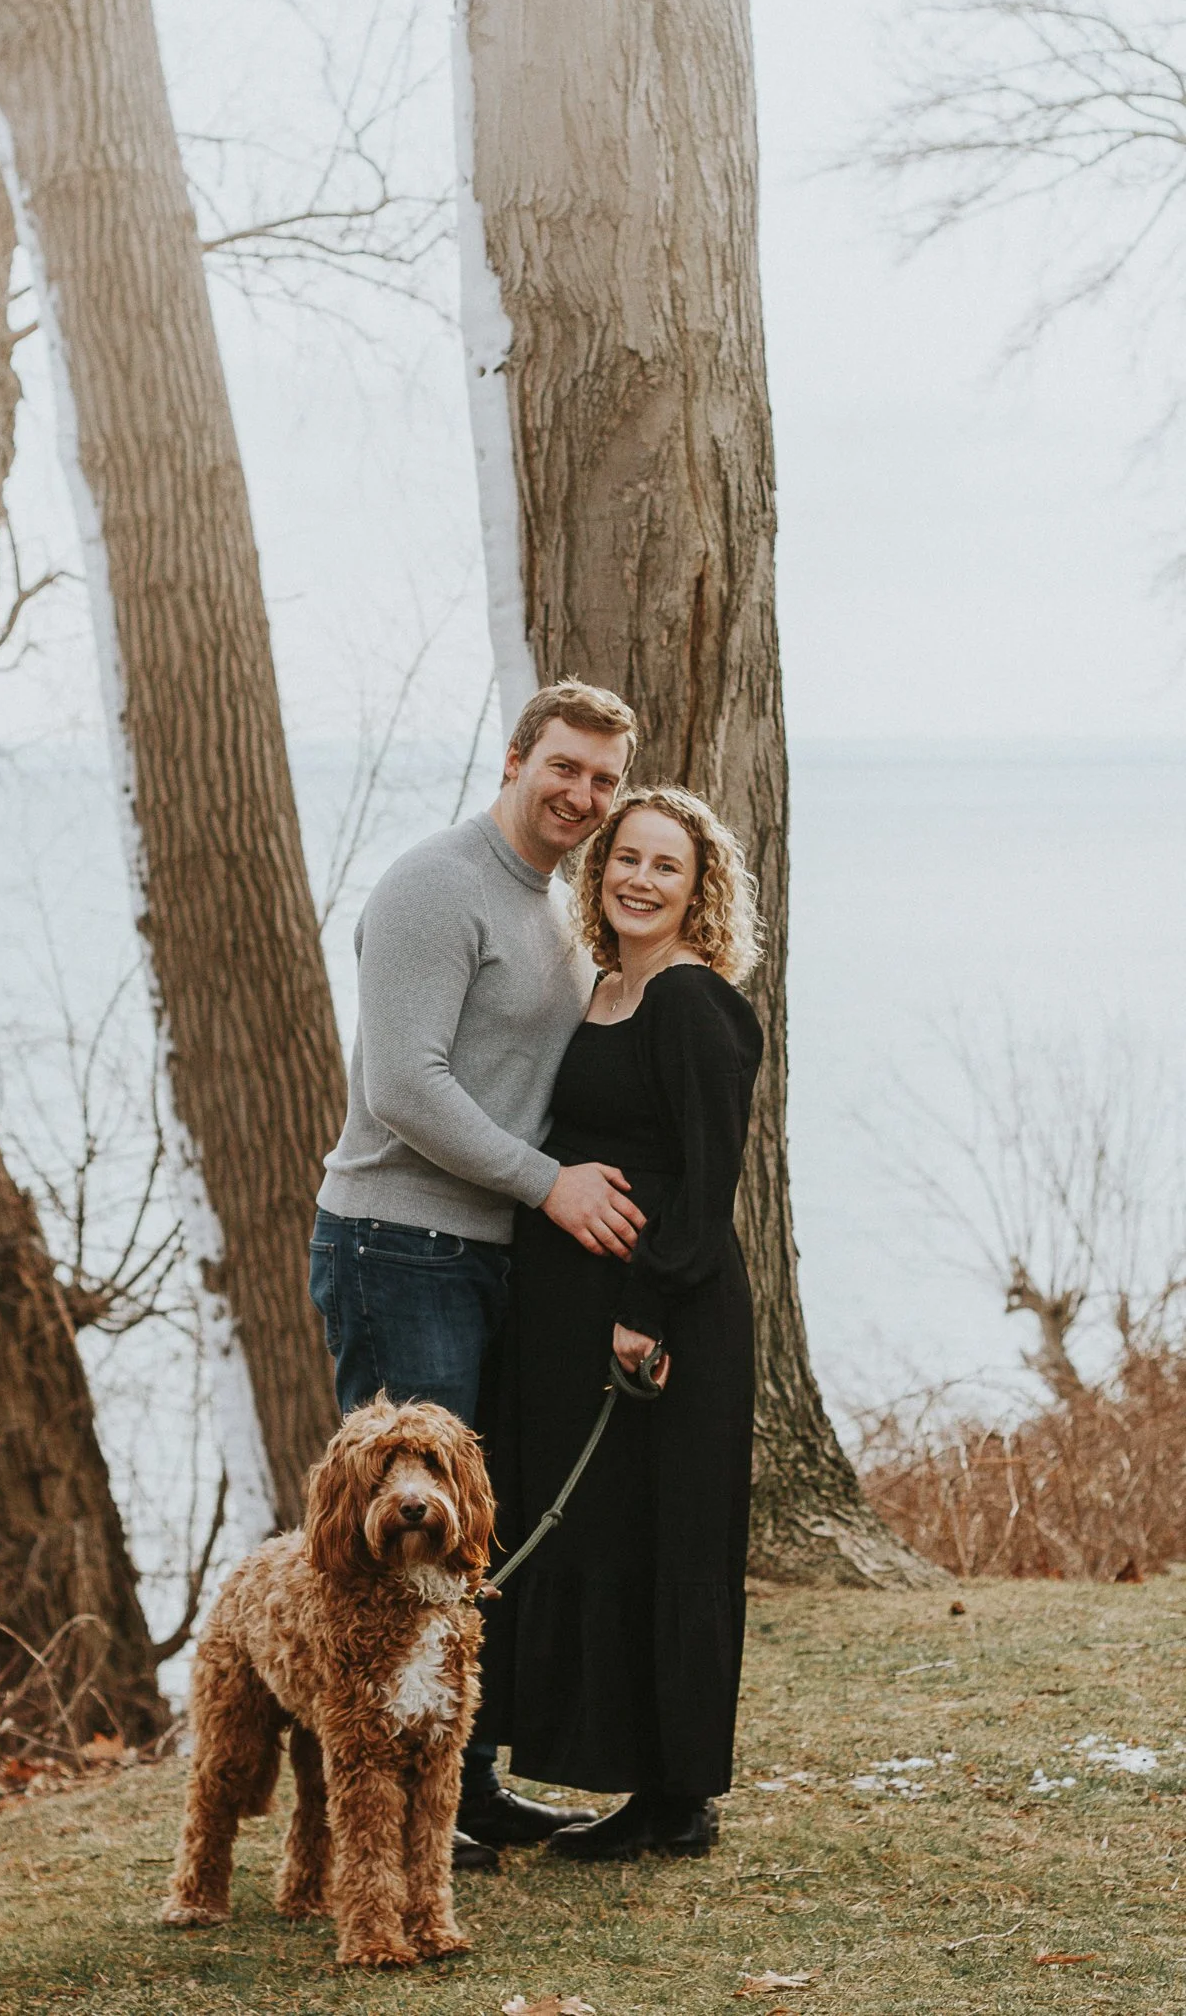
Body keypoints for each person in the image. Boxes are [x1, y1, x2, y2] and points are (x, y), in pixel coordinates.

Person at [309, 677, 644, 1865]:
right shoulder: (432, 886)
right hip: (398, 1246)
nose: (581, 795)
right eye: (564, 766)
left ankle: (465, 1782)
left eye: (603, 780)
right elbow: (404, 1084)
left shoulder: (551, 905)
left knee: (461, 1540)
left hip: (494, 1255)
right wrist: (546, 1180)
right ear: (515, 758)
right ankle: (365, 1802)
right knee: (382, 1538)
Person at [478, 785, 764, 1861]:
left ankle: (677, 1800)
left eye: (664, 867)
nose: (638, 879)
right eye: (624, 860)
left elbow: (706, 1178)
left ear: (699, 892)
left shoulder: (690, 1001)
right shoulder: (601, 988)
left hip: (662, 1324)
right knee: (605, 1544)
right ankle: (631, 1782)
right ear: (599, 874)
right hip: (575, 1320)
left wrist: (643, 1310)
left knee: (671, 1547)